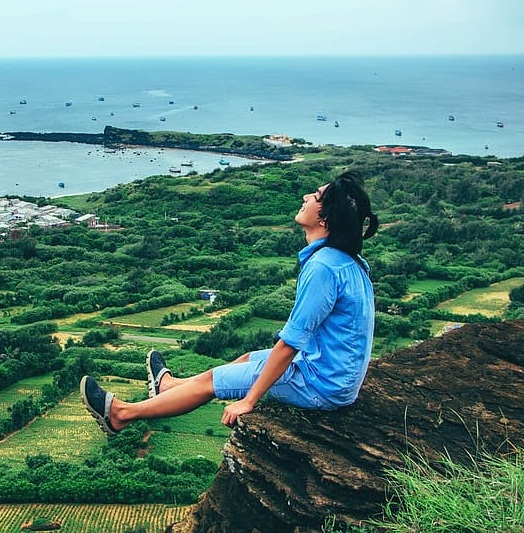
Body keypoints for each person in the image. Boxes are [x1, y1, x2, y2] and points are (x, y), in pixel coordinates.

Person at [81, 170, 379, 437]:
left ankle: (121, 415)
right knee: (248, 358)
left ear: (325, 218)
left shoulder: (323, 268)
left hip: (321, 385)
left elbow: (290, 344)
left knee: (214, 380)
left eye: (315, 196)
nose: (305, 197)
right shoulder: (348, 261)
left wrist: (248, 402)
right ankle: (170, 387)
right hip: (333, 376)